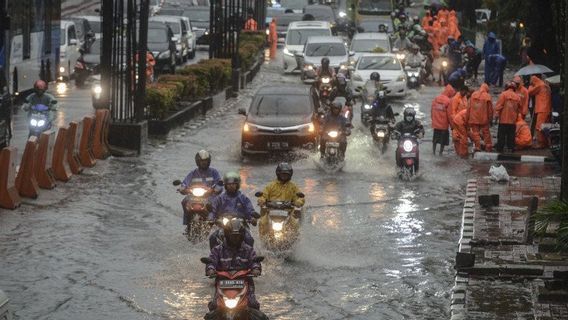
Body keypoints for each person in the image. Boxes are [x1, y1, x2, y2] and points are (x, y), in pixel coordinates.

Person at [205, 219, 263, 314]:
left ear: (242, 236)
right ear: (227, 235)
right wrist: (210, 269)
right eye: (233, 236)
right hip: (222, 282)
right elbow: (211, 261)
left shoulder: (248, 250)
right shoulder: (218, 250)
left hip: (245, 282)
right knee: (214, 306)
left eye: (238, 237)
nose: (235, 239)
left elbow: (254, 261)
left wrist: (256, 268)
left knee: (253, 305)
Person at [208, 171, 256, 249]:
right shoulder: (220, 198)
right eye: (229, 184)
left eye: (233, 184)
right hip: (223, 226)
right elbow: (213, 210)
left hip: (241, 226)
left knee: (249, 239)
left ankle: (250, 258)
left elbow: (250, 210)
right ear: (225, 185)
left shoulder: (243, 198)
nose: (231, 186)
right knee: (213, 238)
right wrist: (210, 219)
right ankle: (214, 258)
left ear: (237, 185)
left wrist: (252, 218)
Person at [179, 150, 223, 234]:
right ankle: (187, 222)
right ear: (198, 162)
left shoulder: (214, 172)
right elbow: (185, 183)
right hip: (194, 197)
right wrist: (183, 188)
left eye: (205, 161)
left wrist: (214, 189)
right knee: (184, 201)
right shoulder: (193, 173)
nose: (204, 163)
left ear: (209, 161)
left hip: (210, 196)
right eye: (202, 161)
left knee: (218, 203)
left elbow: (219, 183)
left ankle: (215, 221)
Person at [257, 162, 305, 235]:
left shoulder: (293, 187)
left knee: (295, 224)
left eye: (286, 174)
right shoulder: (270, 186)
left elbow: (300, 198)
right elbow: (263, 195)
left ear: (290, 175)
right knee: (262, 222)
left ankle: (294, 240)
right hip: (271, 212)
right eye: (283, 174)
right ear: (278, 174)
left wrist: (299, 202)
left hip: (288, 213)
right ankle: (264, 240)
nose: (284, 176)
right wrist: (261, 200)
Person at [494, 82, 522, 152]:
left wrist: (496, 118)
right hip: (512, 121)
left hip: (503, 120)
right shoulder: (517, 97)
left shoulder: (503, 95)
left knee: (501, 136)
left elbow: (498, 107)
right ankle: (511, 148)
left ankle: (500, 149)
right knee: (511, 136)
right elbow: (519, 109)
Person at [467, 83, 494, 152]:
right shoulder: (487, 96)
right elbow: (490, 110)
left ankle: (477, 147)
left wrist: (468, 118)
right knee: (486, 133)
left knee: (475, 133)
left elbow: (469, 107)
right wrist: (490, 119)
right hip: (484, 119)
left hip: (474, 118)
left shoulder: (473, 95)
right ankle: (488, 147)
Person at [528, 75, 552, 148]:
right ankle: (546, 142)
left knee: (539, 126)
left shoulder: (539, 85)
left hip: (542, 109)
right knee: (546, 127)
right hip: (547, 108)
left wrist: (530, 86)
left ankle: (541, 143)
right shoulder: (545, 85)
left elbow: (530, 92)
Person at [431, 85, 456, 155]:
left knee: (435, 139)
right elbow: (449, 114)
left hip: (436, 124)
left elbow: (432, 110)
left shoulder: (436, 98)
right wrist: (452, 126)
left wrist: (433, 120)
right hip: (443, 125)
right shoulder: (448, 101)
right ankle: (440, 153)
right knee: (443, 140)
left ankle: (433, 152)